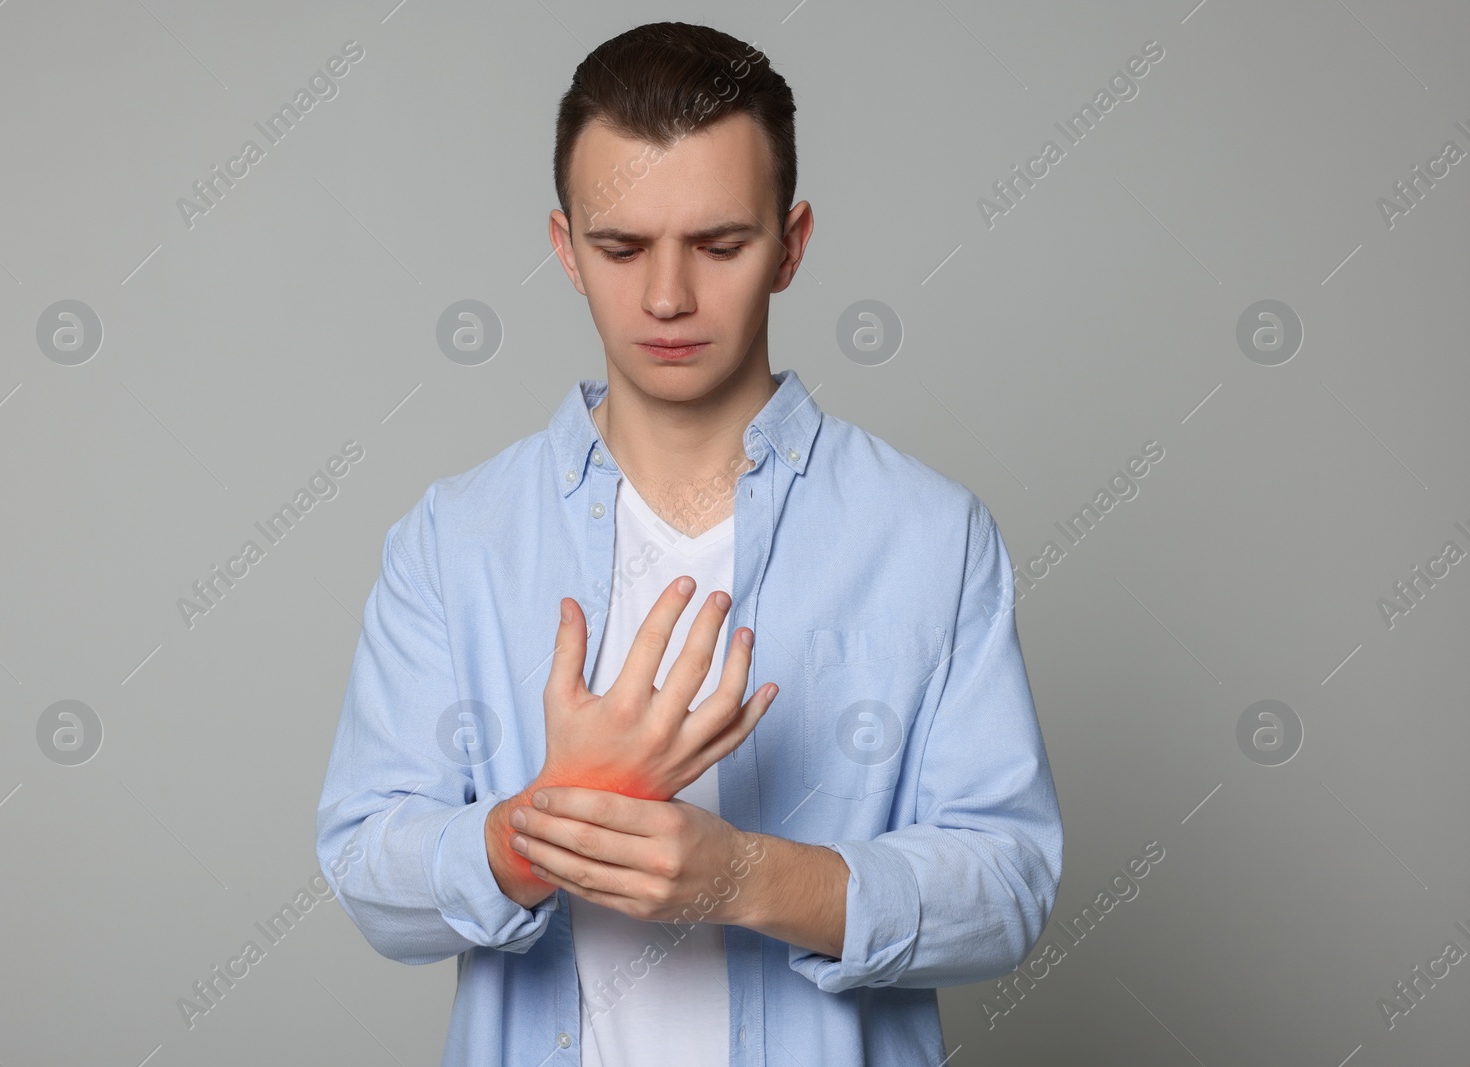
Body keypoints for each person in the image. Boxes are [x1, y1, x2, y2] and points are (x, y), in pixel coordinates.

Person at [315, 21, 1062, 1067]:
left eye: (718, 245)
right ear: (565, 248)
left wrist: (747, 877)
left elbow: (1009, 879)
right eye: (621, 247)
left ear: (791, 245)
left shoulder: (930, 535)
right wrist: (541, 824)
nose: (668, 297)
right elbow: (365, 869)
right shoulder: (455, 540)